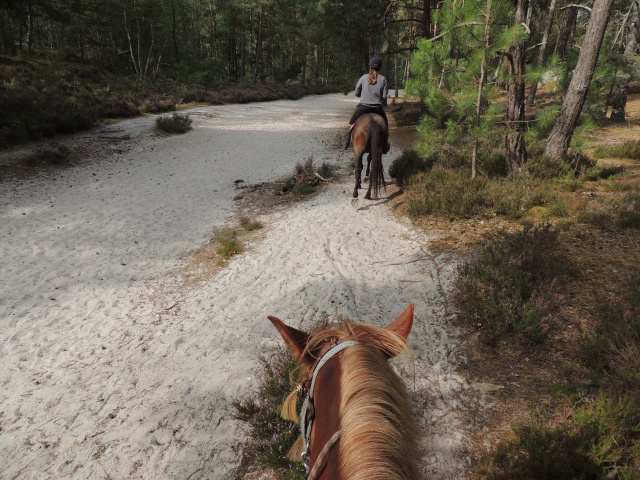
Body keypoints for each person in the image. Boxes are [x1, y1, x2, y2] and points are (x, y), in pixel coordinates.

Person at [343, 55, 390, 151]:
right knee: (386, 125)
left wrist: (365, 95)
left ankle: (346, 142)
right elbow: (384, 97)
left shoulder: (363, 77)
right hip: (378, 109)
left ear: (370, 66)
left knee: (351, 123)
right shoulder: (383, 79)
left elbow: (356, 93)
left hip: (363, 108)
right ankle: (385, 145)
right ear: (380, 67)